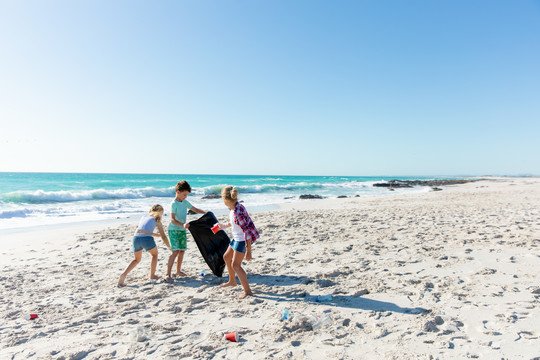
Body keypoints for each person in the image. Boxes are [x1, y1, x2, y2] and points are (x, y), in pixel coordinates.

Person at [216, 186, 259, 299]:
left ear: (225, 200)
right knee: (226, 257)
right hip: (236, 238)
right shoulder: (233, 208)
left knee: (236, 265)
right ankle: (232, 281)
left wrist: (248, 250)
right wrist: (223, 226)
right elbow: (234, 223)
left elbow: (247, 232)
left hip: (242, 240)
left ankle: (248, 291)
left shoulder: (237, 212)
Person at [118, 204, 170, 287]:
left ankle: (123, 275)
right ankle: (152, 275)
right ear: (160, 212)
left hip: (136, 238)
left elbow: (143, 230)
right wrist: (169, 246)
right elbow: (163, 236)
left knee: (136, 259)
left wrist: (156, 235)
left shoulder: (144, 217)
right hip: (146, 239)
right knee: (154, 255)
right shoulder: (157, 219)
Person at [166, 180, 206, 281]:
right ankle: (168, 273)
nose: (185, 197)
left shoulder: (185, 202)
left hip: (182, 230)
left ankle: (178, 271)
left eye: (187, 195)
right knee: (175, 251)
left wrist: (206, 212)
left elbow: (195, 210)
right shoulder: (173, 204)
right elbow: (172, 220)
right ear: (178, 192)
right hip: (174, 229)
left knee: (182, 251)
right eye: (184, 195)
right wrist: (183, 224)